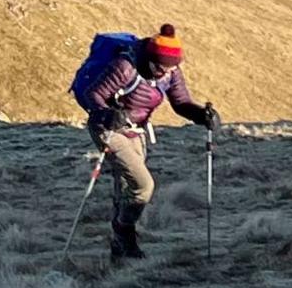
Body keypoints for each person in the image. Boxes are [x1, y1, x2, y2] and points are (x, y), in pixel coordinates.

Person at [70, 22, 219, 260]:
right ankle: (124, 232)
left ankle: (119, 249)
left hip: (136, 132)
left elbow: (181, 103)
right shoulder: (125, 67)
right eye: (161, 69)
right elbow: (94, 94)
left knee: (127, 188)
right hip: (108, 129)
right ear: (149, 59)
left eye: (171, 69)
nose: (166, 74)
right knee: (143, 185)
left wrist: (201, 115)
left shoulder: (170, 72)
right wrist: (106, 113)